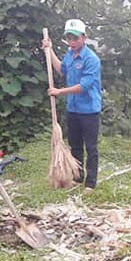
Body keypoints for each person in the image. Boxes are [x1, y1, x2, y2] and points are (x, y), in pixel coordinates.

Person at [41, 19, 102, 190]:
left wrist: (59, 92)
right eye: (69, 38)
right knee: (75, 144)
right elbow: (61, 69)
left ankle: (90, 182)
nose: (72, 42)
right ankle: (77, 176)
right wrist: (49, 50)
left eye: (75, 38)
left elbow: (84, 86)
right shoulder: (69, 55)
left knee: (91, 147)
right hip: (73, 109)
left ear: (84, 38)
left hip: (89, 109)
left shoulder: (91, 59)